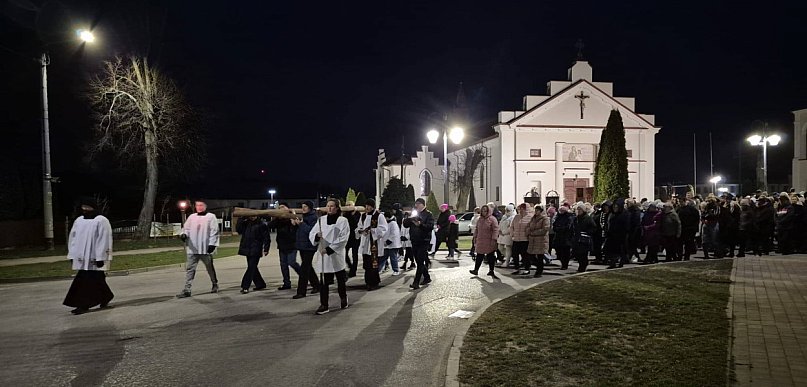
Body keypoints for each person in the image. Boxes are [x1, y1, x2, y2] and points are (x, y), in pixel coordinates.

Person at [63, 197, 114, 315]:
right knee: (98, 280)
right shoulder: (79, 220)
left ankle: (83, 304)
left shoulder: (101, 220)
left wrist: (101, 257)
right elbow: (73, 238)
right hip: (82, 258)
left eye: (87, 207)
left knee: (86, 281)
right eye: (83, 207)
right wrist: (72, 254)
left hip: (94, 258)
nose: (84, 209)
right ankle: (106, 296)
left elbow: (104, 239)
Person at [310, 198, 351, 315]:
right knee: (324, 282)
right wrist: (317, 236)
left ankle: (343, 298)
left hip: (335, 254)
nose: (329, 208)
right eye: (328, 206)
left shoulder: (342, 221)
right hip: (324, 256)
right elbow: (312, 233)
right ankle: (324, 304)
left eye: (332, 206)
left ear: (337, 207)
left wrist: (329, 249)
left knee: (340, 280)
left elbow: (343, 238)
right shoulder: (321, 220)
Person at [176, 199, 220, 298]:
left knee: (210, 268)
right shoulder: (192, 217)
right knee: (190, 269)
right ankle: (187, 289)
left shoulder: (211, 217)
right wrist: (183, 234)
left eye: (201, 205)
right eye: (197, 205)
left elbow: (214, 231)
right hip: (193, 248)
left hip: (205, 248)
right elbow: (186, 228)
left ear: (205, 206)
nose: (199, 207)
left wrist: (212, 244)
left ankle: (214, 283)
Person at [291, 201, 321, 299]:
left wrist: (301, 224)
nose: (303, 208)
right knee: (308, 267)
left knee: (304, 269)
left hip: (310, 246)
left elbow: (311, 231)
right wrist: (295, 224)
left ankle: (301, 291)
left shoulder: (313, 217)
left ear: (310, 208)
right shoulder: (304, 216)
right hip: (302, 245)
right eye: (302, 206)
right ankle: (317, 285)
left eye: (305, 206)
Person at [268, 204, 300, 290]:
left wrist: (293, 219)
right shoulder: (278, 221)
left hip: (292, 245)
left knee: (292, 262)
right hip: (282, 246)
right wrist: (276, 217)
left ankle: (305, 276)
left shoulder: (292, 219)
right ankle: (286, 283)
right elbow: (270, 226)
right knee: (283, 265)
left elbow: (298, 228)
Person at [403, 198, 434, 290]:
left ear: (423, 204)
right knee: (418, 260)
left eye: (418, 204)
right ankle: (427, 277)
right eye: (415, 204)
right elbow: (405, 225)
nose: (416, 205)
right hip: (414, 240)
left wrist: (420, 224)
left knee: (420, 261)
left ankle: (416, 282)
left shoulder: (428, 214)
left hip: (424, 240)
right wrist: (409, 218)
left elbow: (430, 226)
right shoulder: (414, 213)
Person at [356, 199, 387, 290]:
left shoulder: (379, 216)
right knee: (366, 264)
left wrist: (372, 231)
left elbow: (383, 228)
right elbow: (359, 226)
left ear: (373, 206)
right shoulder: (363, 216)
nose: (367, 207)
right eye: (366, 205)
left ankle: (374, 282)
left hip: (374, 243)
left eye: (369, 206)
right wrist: (360, 231)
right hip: (365, 243)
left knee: (373, 264)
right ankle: (368, 282)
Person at [236, 215, 270, 294]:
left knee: (251, 267)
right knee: (253, 267)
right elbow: (238, 230)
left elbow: (266, 237)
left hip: (256, 249)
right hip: (247, 248)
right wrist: (241, 218)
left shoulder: (261, 225)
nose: (252, 217)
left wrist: (266, 248)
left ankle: (245, 286)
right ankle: (260, 284)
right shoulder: (246, 223)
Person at [469, 204, 500, 279]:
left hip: (489, 240)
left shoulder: (492, 219)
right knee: (479, 255)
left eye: (485, 211)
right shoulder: (480, 219)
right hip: (481, 240)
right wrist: (475, 237)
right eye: (482, 211)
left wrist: (494, 239)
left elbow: (495, 230)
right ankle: (476, 270)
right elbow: (477, 229)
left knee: (490, 256)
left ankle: (491, 270)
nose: (483, 212)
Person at [525, 204, 549, 277]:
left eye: (537, 210)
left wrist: (533, 233)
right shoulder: (533, 218)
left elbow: (545, 229)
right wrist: (528, 231)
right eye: (535, 210)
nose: (536, 212)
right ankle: (538, 267)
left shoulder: (544, 219)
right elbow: (528, 226)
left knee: (540, 257)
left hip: (541, 240)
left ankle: (539, 271)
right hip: (532, 240)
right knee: (530, 255)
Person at [571, 203, 596, 272]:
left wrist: (586, 232)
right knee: (577, 254)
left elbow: (593, 227)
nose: (578, 211)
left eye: (580, 209)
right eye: (577, 209)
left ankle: (582, 267)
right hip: (577, 239)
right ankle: (581, 265)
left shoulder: (588, 218)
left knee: (583, 254)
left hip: (584, 239)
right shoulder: (576, 219)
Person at [510, 203, 533, 274]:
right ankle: (516, 268)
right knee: (515, 254)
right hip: (516, 238)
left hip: (525, 239)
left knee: (525, 254)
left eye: (523, 208)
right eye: (520, 208)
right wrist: (512, 235)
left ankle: (527, 268)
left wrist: (528, 234)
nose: (521, 210)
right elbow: (511, 226)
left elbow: (531, 227)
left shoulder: (530, 217)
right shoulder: (516, 217)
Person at [343, 201, 362, 278]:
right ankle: (350, 266)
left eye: (349, 205)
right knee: (344, 253)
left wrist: (353, 214)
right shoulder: (345, 215)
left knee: (355, 254)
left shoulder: (358, 214)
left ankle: (353, 270)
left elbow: (356, 224)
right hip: (347, 237)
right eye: (347, 205)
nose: (348, 206)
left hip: (355, 237)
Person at [380, 211, 402, 275]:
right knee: (383, 258)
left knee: (393, 258)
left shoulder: (393, 223)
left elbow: (394, 234)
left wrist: (388, 241)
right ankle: (379, 269)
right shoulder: (387, 223)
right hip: (386, 244)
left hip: (392, 244)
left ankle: (396, 270)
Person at [553, 205, 574, 270]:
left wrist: (560, 228)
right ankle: (563, 263)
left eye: (562, 211)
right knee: (559, 251)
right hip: (558, 237)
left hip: (566, 237)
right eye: (560, 211)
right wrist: (557, 228)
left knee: (565, 252)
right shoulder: (558, 217)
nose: (561, 212)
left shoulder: (569, 217)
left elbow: (568, 227)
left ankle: (565, 264)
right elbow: (554, 226)